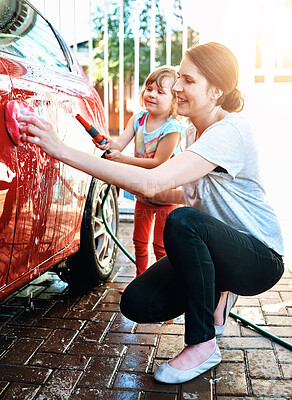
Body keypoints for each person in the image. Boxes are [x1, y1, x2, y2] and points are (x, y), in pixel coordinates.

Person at [18, 42, 284, 385]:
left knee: (182, 221)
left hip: (259, 258)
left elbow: (153, 180)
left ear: (215, 91)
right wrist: (146, 186)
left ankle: (203, 342)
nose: (176, 87)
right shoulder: (192, 132)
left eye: (187, 80)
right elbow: (174, 190)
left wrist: (59, 149)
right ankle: (218, 289)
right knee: (139, 304)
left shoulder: (230, 131)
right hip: (223, 248)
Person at [94, 67, 184, 292]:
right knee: (140, 242)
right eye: (149, 88)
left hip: (166, 197)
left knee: (161, 247)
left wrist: (122, 159)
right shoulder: (139, 119)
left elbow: (158, 163)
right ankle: (140, 283)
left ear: (174, 99)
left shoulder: (172, 129)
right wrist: (107, 143)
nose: (151, 94)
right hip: (143, 194)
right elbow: (119, 144)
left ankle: (164, 288)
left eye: (160, 92)